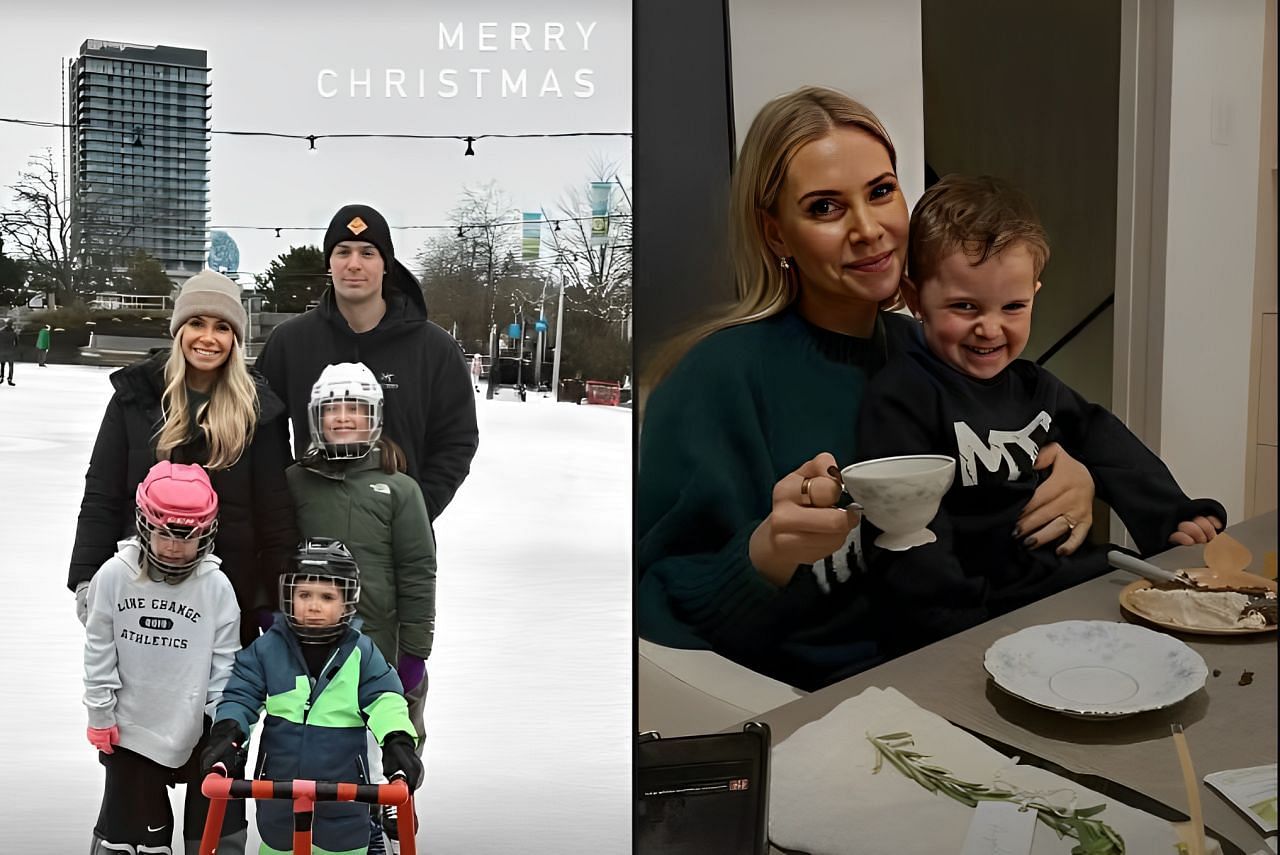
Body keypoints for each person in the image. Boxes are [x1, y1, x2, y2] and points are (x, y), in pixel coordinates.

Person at [637, 86, 1098, 692]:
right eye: (825, 208)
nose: (869, 229)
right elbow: (654, 603)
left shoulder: (932, 346)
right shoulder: (717, 377)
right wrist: (766, 555)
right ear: (776, 235)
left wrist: (1076, 475)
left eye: (881, 192)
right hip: (824, 702)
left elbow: (1008, 468)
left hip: (979, 659)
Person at [855, 174, 1227, 654]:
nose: (990, 328)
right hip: (981, 610)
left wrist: (1172, 516)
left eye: (1014, 306)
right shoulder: (903, 397)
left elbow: (1108, 445)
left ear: (1035, 292)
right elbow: (912, 535)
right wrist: (956, 626)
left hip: (1071, 579)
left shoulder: (1036, 385)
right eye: (964, 306)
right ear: (914, 298)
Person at [68, 269, 298, 646]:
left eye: (222, 328)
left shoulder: (259, 411)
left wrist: (275, 598)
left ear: (235, 339)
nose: (208, 338)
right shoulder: (136, 398)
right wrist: (86, 576)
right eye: (196, 323)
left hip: (228, 597)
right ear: (179, 330)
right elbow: (102, 494)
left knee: (220, 703)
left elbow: (275, 513)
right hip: (141, 589)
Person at [287, 361, 436, 850]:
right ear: (317, 418)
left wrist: (415, 649)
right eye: (335, 410)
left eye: (356, 408)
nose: (345, 418)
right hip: (310, 642)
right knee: (326, 737)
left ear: (375, 416)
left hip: (382, 642)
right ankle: (326, 818)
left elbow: (417, 571)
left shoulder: (399, 488)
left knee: (394, 729)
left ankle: (395, 804)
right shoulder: (295, 482)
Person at [255, 204, 479, 522]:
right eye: (343, 252)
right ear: (329, 263)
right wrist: (287, 504)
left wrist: (416, 509)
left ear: (386, 264)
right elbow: (263, 430)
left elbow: (456, 439)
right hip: (309, 538)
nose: (354, 264)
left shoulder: (434, 348)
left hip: (397, 544)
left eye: (367, 253)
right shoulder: (289, 342)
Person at [201, 538, 423, 855]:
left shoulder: (361, 653)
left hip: (344, 807)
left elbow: (386, 699)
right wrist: (228, 735)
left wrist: (398, 741)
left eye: (327, 597)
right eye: (304, 594)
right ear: (288, 596)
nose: (314, 606)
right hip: (278, 803)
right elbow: (241, 695)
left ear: (347, 602)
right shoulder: (268, 650)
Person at [83, 461, 247, 855]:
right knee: (130, 841)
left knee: (210, 836)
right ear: (144, 524)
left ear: (206, 532)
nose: (174, 547)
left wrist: (224, 727)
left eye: (187, 536)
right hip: (132, 731)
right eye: (164, 534)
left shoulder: (216, 586)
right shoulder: (113, 576)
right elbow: (98, 651)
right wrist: (100, 714)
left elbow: (226, 665)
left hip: (198, 727)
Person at [0, 318, 17, 385]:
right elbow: (17, 343)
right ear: (12, 325)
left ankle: (1, 378)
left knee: (2, 365)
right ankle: (10, 379)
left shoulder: (1, 331)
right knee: (11, 366)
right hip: (10, 351)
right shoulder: (13, 332)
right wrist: (14, 349)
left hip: (2, 350)